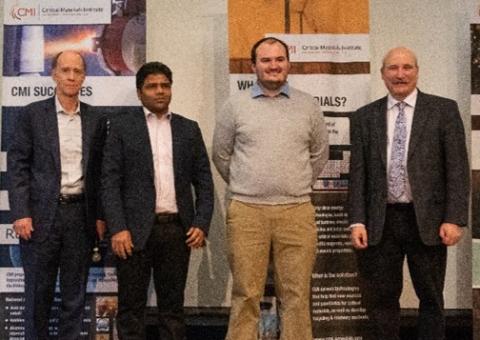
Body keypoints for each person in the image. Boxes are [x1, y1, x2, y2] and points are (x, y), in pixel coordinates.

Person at [348, 47, 469, 340]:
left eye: (406, 67)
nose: (399, 74)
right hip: (381, 222)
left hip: (427, 221)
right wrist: (357, 221)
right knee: (381, 301)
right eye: (393, 68)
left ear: (417, 70)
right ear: (382, 74)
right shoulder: (365, 117)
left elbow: (457, 168)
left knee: (430, 298)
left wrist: (454, 218)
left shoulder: (443, 110)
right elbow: (358, 174)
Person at [212, 37, 329, 340]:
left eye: (279, 59)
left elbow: (319, 155)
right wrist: (249, 184)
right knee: (246, 294)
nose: (273, 66)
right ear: (253, 66)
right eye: (266, 60)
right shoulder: (234, 106)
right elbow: (221, 155)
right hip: (247, 212)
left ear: (288, 64)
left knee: (297, 296)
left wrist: (293, 184)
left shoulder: (308, 105)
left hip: (296, 211)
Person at [101, 61, 214, 340]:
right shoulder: (122, 127)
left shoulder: (189, 129)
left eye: (165, 85)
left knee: (173, 310)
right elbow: (109, 181)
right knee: (131, 309)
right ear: (140, 92)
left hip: (177, 230)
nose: (160, 91)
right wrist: (117, 228)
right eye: (152, 86)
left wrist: (201, 222)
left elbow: (204, 181)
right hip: (133, 232)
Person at [7, 50, 106, 339]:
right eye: (65, 70)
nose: (72, 76)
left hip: (80, 217)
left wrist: (99, 216)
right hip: (39, 218)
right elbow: (18, 166)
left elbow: (101, 173)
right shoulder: (32, 114)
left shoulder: (96, 119)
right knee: (39, 294)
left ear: (84, 76)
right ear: (54, 74)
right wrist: (21, 213)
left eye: (77, 71)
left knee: (74, 297)